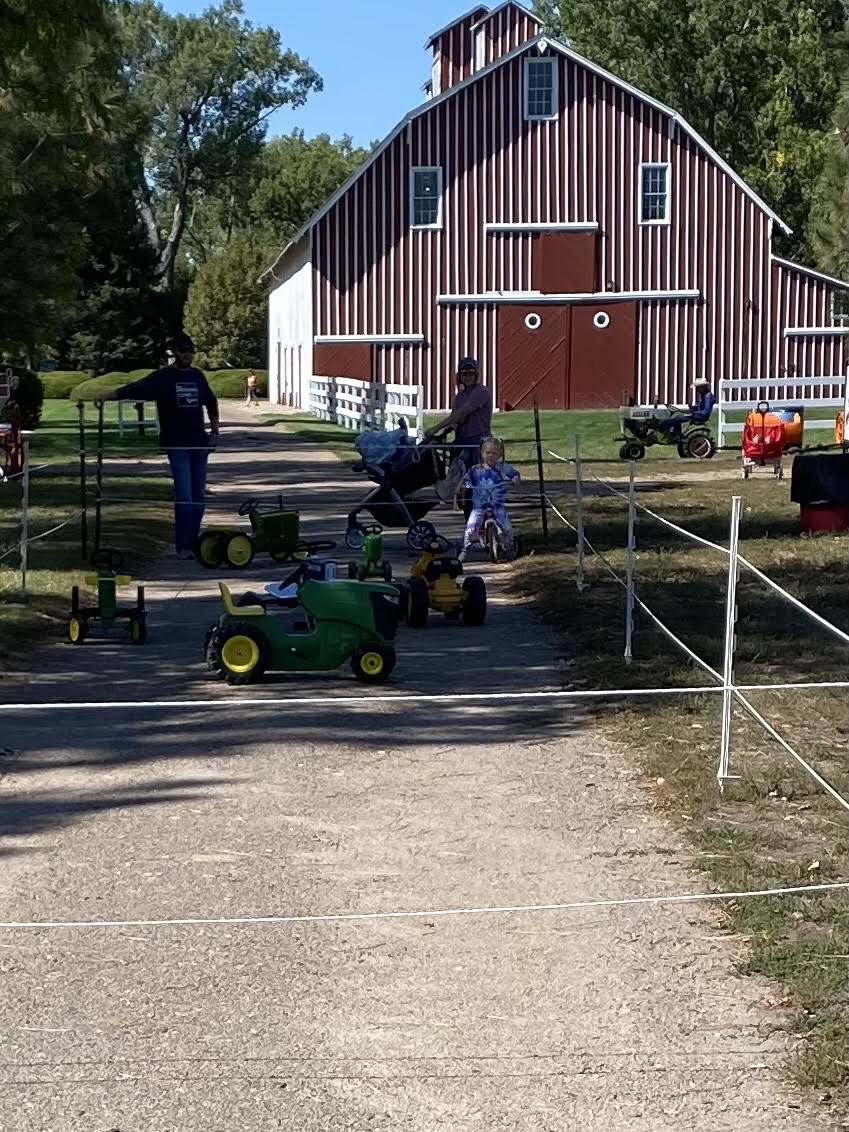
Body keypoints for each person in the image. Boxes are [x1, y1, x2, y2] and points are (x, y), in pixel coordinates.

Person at [100, 333, 220, 558]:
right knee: (184, 496)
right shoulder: (164, 377)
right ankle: (184, 546)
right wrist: (109, 395)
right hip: (176, 444)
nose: (188, 355)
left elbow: (211, 401)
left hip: (198, 445)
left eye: (191, 351)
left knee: (198, 499)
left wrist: (214, 431)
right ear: (174, 353)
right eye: (183, 351)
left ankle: (195, 543)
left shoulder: (197, 376)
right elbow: (137, 387)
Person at [456, 436, 520, 560]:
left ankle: (509, 546)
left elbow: (514, 474)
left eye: (494, 453)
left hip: (497, 505)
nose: (491, 456)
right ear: (482, 453)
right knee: (472, 525)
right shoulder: (476, 469)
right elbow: (466, 479)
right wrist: (463, 486)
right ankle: (466, 548)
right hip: (479, 506)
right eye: (488, 453)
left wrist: (515, 479)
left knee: (506, 525)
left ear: (500, 454)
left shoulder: (503, 467)